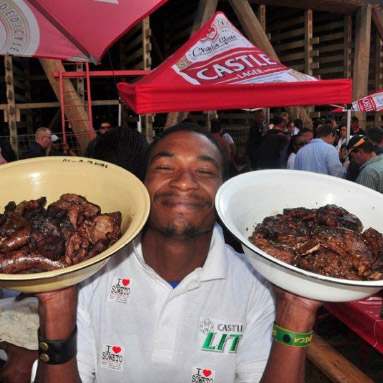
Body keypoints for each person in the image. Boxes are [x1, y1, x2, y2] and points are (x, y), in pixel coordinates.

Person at [10, 123, 321, 383]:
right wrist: (57, 299)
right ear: (142, 184)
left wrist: (297, 308)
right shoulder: (91, 273)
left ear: (224, 191)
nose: (184, 181)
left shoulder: (259, 287)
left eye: (204, 170)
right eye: (165, 167)